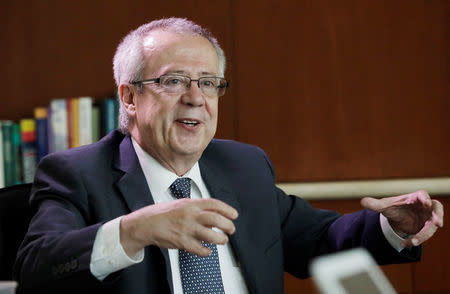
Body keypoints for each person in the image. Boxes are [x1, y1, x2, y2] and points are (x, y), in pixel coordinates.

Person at [13, 17, 443, 294]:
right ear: (129, 97)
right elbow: (35, 268)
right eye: (174, 81)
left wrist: (391, 227)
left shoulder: (244, 166)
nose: (195, 98)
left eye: (209, 82)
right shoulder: (76, 174)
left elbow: (319, 239)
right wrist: (134, 230)